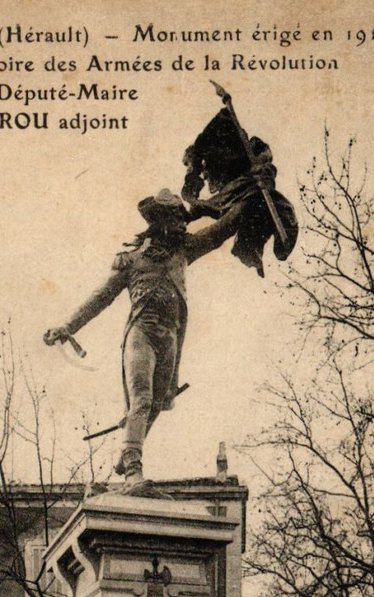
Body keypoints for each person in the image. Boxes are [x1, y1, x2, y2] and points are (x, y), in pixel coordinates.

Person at [44, 160, 282, 493]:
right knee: (141, 400)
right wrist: (67, 326)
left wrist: (255, 193)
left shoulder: (185, 250)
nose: (183, 224)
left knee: (155, 404)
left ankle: (128, 448)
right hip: (141, 333)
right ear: (159, 222)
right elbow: (100, 298)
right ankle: (132, 469)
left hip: (169, 337)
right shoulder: (132, 260)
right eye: (175, 219)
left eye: (183, 219)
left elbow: (222, 229)